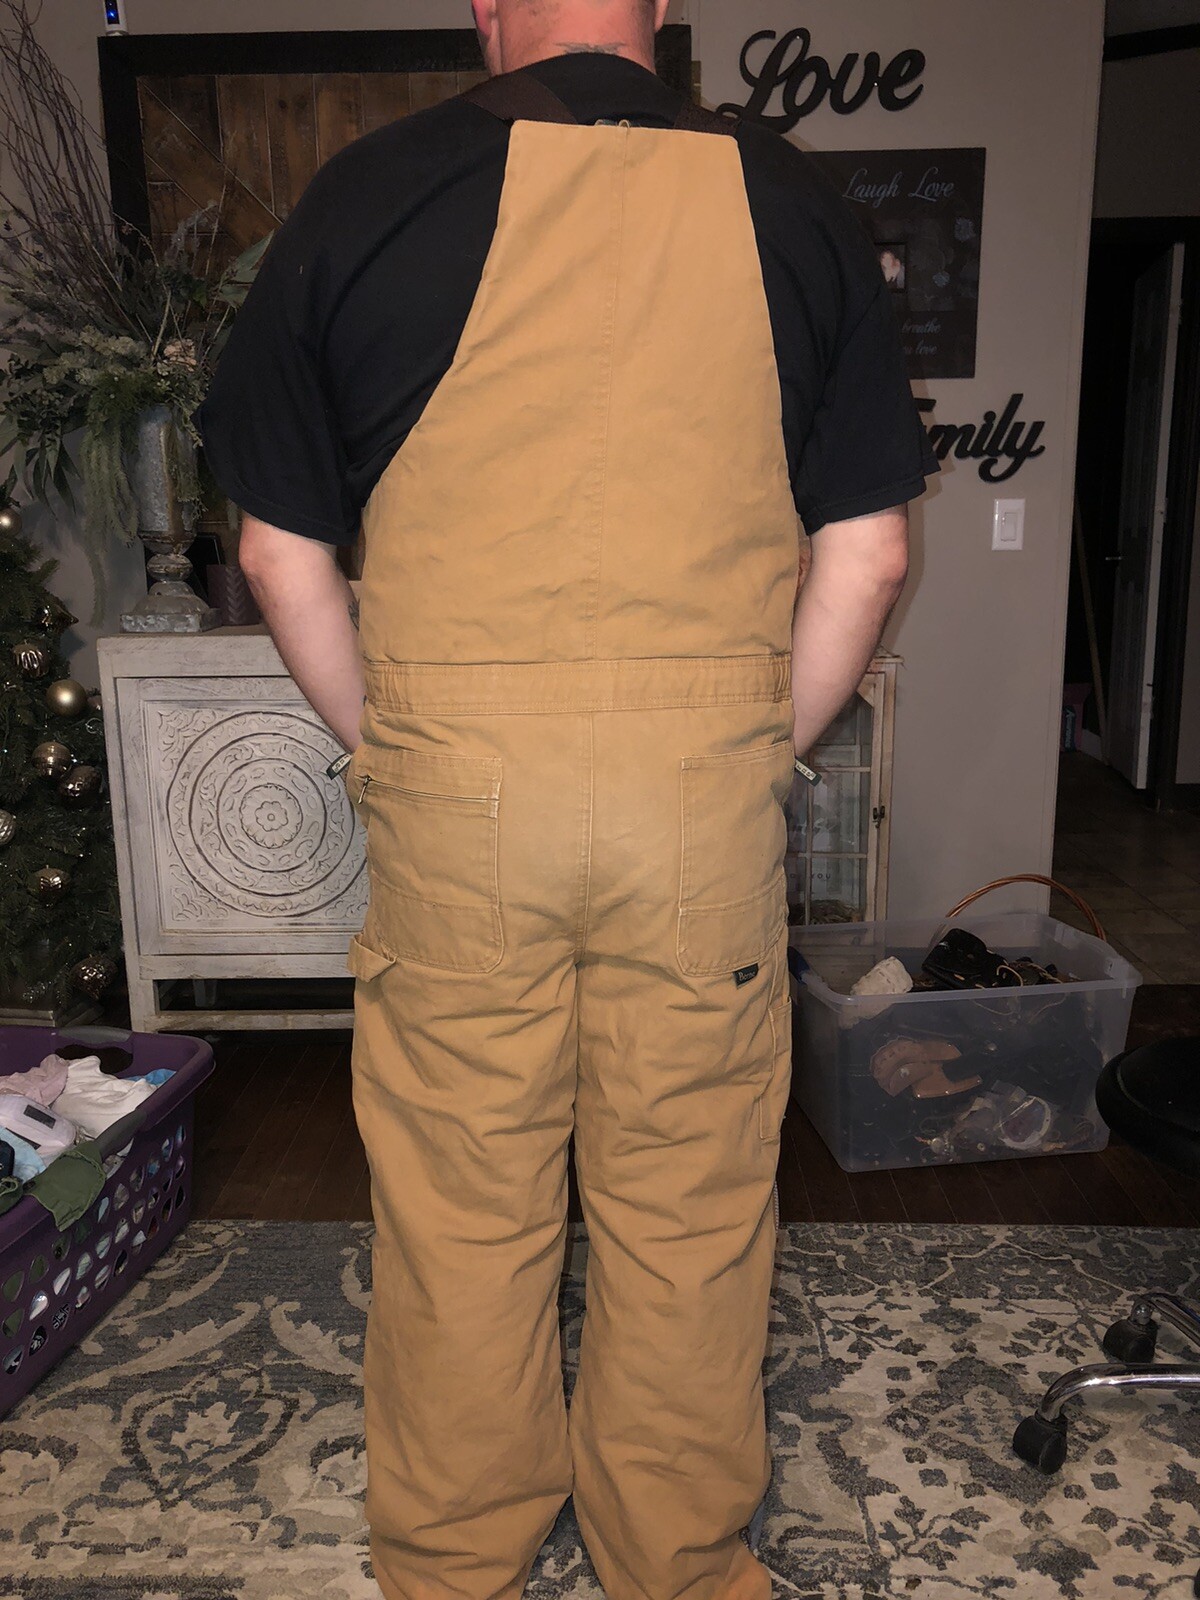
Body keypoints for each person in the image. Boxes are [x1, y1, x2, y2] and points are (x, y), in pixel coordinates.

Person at [198, 2, 938, 1597]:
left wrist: (395, 741)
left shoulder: (363, 194)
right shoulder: (796, 203)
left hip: (460, 789)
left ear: (484, 3)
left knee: (464, 1203)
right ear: (662, 6)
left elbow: (274, 550)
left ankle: (455, 1560)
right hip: (696, 795)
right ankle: (674, 1561)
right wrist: (752, 745)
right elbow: (870, 554)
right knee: (688, 1207)